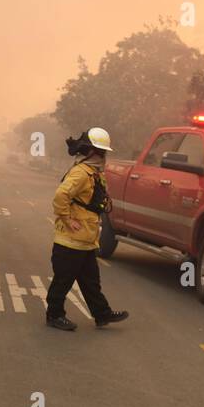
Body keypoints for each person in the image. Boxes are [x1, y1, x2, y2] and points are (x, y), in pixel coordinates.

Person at [47, 127, 129, 331]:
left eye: (104, 152)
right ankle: (54, 315)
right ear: (91, 151)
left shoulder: (94, 173)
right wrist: (66, 218)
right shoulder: (81, 173)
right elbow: (60, 196)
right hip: (70, 241)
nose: (104, 156)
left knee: (91, 281)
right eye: (101, 152)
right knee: (63, 281)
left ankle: (102, 314)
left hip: (85, 240)